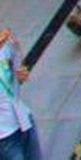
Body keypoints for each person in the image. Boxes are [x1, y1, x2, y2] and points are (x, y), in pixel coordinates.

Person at [0, 24, 39, 160]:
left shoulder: (4, 48)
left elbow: (17, 65)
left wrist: (21, 73)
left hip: (22, 120)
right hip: (4, 136)